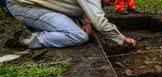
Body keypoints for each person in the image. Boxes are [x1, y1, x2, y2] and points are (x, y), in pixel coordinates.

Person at [4, 0, 136, 48]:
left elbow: (79, 6)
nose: (112, 3)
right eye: (112, 0)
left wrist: (87, 22)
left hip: (37, 6)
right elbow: (100, 23)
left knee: (77, 27)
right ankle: (28, 39)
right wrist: (122, 39)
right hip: (22, 6)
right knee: (78, 35)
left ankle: (34, 27)